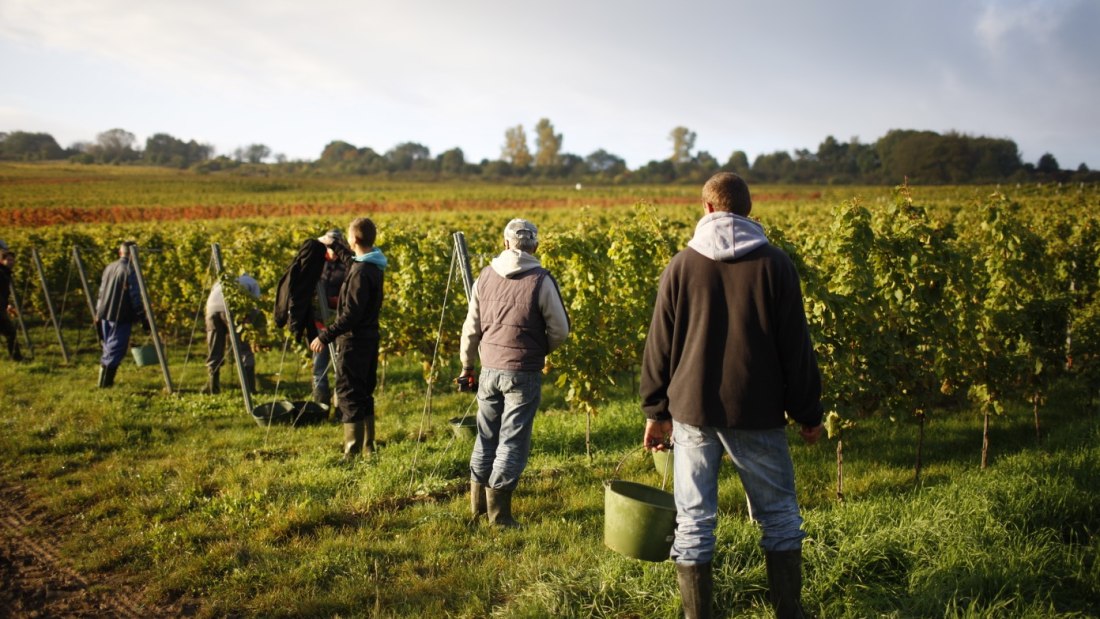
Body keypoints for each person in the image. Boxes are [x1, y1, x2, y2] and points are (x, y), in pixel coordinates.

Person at [640, 173, 824, 619]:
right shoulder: (775, 264)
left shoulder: (682, 264)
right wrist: (808, 412)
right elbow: (795, 346)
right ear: (748, 209)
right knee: (779, 516)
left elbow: (659, 344)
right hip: (757, 408)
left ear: (706, 207)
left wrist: (656, 410)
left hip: (692, 408)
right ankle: (789, 612)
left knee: (694, 520)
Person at [458, 218, 570, 527]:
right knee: (512, 440)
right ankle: (500, 516)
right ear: (535, 246)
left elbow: (471, 327)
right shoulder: (541, 280)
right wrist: (539, 349)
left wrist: (467, 365)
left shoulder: (485, 276)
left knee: (485, 436)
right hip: (523, 371)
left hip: (489, 369)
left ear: (506, 243)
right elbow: (560, 329)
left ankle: (478, 508)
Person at [309, 218, 386, 459]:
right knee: (364, 392)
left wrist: (325, 336)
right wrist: (333, 244)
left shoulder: (361, 273)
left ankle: (352, 453)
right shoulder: (372, 264)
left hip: (354, 342)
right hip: (369, 339)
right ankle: (368, 448)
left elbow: (351, 315)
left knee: (349, 393)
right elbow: (351, 260)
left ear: (353, 239)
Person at [95, 242, 147, 388]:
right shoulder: (130, 270)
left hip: (104, 312)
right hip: (120, 313)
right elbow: (135, 296)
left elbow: (101, 291)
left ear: (120, 253)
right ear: (135, 255)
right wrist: (142, 315)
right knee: (116, 347)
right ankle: (105, 384)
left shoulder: (109, 267)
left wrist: (97, 312)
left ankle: (103, 382)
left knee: (108, 346)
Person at [203, 273, 262, 394]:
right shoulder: (252, 281)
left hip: (211, 310)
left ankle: (213, 388)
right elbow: (255, 306)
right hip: (232, 308)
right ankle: (250, 389)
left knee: (215, 348)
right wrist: (249, 325)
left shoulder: (222, 279)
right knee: (244, 349)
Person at [311, 229, 348, 405]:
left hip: (340, 322)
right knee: (319, 365)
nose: (331, 249)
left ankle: (340, 405)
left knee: (340, 366)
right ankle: (321, 405)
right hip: (320, 323)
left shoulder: (347, 264)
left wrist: (337, 301)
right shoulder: (318, 263)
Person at [1, 249, 24, 362]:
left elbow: (4, 292)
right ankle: (16, 358)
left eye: (12, 260)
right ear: (2, 260)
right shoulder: (1, 273)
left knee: (10, 333)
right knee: (10, 332)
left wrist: (7, 305)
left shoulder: (5, 272)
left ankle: (16, 358)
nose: (11, 262)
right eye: (8, 260)